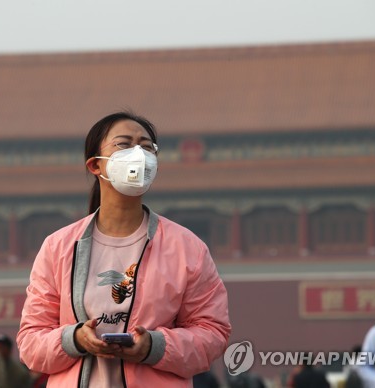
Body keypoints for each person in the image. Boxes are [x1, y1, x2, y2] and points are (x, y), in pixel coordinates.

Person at [17, 111, 231, 387]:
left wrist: (154, 347)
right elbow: (30, 344)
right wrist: (75, 339)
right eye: (124, 144)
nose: (138, 154)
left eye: (146, 146)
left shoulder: (187, 248)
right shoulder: (59, 247)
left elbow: (213, 333)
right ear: (95, 165)